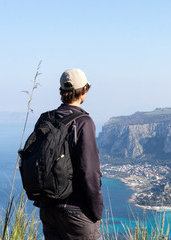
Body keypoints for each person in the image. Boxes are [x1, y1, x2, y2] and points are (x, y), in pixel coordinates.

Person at [36, 68, 104, 240]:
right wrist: (97, 211)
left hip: (48, 209)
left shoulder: (45, 119)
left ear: (61, 92)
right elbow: (89, 172)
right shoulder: (83, 122)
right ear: (84, 91)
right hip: (76, 211)